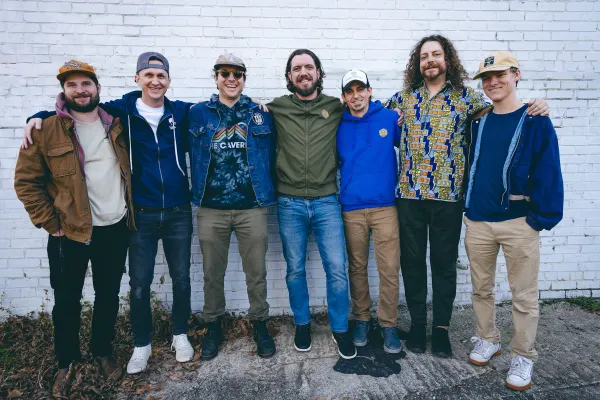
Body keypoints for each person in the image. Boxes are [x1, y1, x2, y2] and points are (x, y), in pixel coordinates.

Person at [22, 52, 195, 374]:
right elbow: (29, 179)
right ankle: (100, 355)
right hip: (115, 219)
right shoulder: (117, 113)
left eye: (161, 76)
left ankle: (165, 338)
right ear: (137, 79)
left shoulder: (169, 114)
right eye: (148, 75)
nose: (155, 81)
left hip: (152, 216)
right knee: (121, 288)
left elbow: (216, 110)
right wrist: (37, 115)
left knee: (154, 285)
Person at [385, 34, 549, 358]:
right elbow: (369, 115)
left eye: (436, 54)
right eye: (424, 56)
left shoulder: (468, 99)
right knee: (413, 263)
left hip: (449, 198)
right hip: (409, 195)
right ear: (417, 64)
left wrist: (538, 104)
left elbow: (505, 111)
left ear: (447, 59)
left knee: (444, 264)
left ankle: (440, 329)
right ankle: (417, 325)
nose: (430, 61)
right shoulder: (402, 99)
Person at [14, 60, 134, 397]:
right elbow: (26, 182)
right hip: (70, 232)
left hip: (114, 228)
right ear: (63, 91)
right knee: (66, 301)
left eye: (86, 84)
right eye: (72, 85)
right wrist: (51, 224)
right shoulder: (46, 129)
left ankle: (102, 351)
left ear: (97, 88)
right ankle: (66, 361)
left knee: (108, 296)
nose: (80, 91)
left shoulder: (117, 123)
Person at [463, 51, 563, 391]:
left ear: (516, 75)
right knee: (481, 288)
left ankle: (523, 355)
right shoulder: (477, 121)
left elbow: (549, 170)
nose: (493, 82)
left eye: (500, 75)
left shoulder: (534, 120)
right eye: (486, 78)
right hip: (478, 221)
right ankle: (487, 338)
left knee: (523, 295)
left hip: (519, 222)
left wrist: (540, 219)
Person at [266, 49, 356, 359]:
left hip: (326, 201)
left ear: (318, 72)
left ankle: (340, 328)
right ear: (289, 76)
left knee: (337, 269)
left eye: (308, 67)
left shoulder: (336, 107)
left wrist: (393, 112)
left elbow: (364, 109)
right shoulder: (276, 107)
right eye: (297, 68)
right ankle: (302, 324)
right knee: (295, 270)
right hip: (289, 202)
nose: (303, 72)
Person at [187, 54, 277, 360]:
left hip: (252, 207)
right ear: (215, 78)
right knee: (212, 273)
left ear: (244, 79)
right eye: (225, 73)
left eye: (237, 74)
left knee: (257, 272)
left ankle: (260, 324)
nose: (231, 78)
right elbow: (153, 107)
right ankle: (213, 326)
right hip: (211, 208)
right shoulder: (197, 114)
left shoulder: (260, 114)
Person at [336, 69, 402, 354]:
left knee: (389, 268)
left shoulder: (389, 118)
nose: (356, 96)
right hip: (352, 208)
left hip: (385, 207)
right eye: (349, 91)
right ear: (343, 97)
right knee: (357, 267)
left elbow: (412, 147)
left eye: (360, 89)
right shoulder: (338, 124)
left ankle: (388, 324)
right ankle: (362, 318)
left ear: (369, 90)